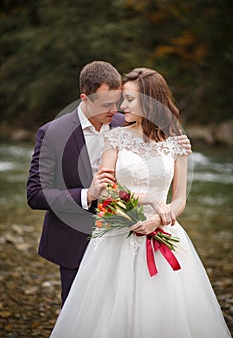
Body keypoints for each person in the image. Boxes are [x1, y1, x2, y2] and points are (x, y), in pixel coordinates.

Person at [49, 68, 231, 338]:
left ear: (150, 100)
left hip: (163, 233)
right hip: (117, 238)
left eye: (130, 100)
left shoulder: (177, 143)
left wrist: (160, 217)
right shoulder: (115, 138)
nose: (122, 106)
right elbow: (108, 190)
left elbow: (180, 198)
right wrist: (149, 201)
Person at [26, 61, 192, 308]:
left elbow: (156, 147)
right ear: (85, 98)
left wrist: (178, 147)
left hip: (127, 234)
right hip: (75, 239)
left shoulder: (125, 123)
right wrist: (87, 195)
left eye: (119, 101)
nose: (116, 110)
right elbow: (35, 194)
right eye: (107, 104)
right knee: (80, 316)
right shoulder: (53, 133)